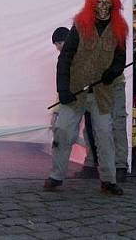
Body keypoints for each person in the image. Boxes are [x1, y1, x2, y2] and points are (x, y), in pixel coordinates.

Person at [44, 0, 126, 196]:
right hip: (75, 91)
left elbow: (120, 59)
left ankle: (108, 180)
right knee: (62, 131)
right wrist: (63, 89)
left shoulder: (119, 29)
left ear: (113, 5)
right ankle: (56, 175)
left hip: (102, 95)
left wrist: (113, 72)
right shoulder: (80, 25)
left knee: (105, 135)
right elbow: (65, 58)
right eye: (100, 2)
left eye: (107, 2)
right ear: (93, 3)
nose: (103, 7)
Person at [51, 26, 99, 179]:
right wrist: (57, 111)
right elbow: (62, 86)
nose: (57, 47)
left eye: (59, 43)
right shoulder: (64, 58)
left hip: (90, 98)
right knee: (83, 132)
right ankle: (90, 164)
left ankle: (96, 165)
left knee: (93, 132)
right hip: (74, 100)